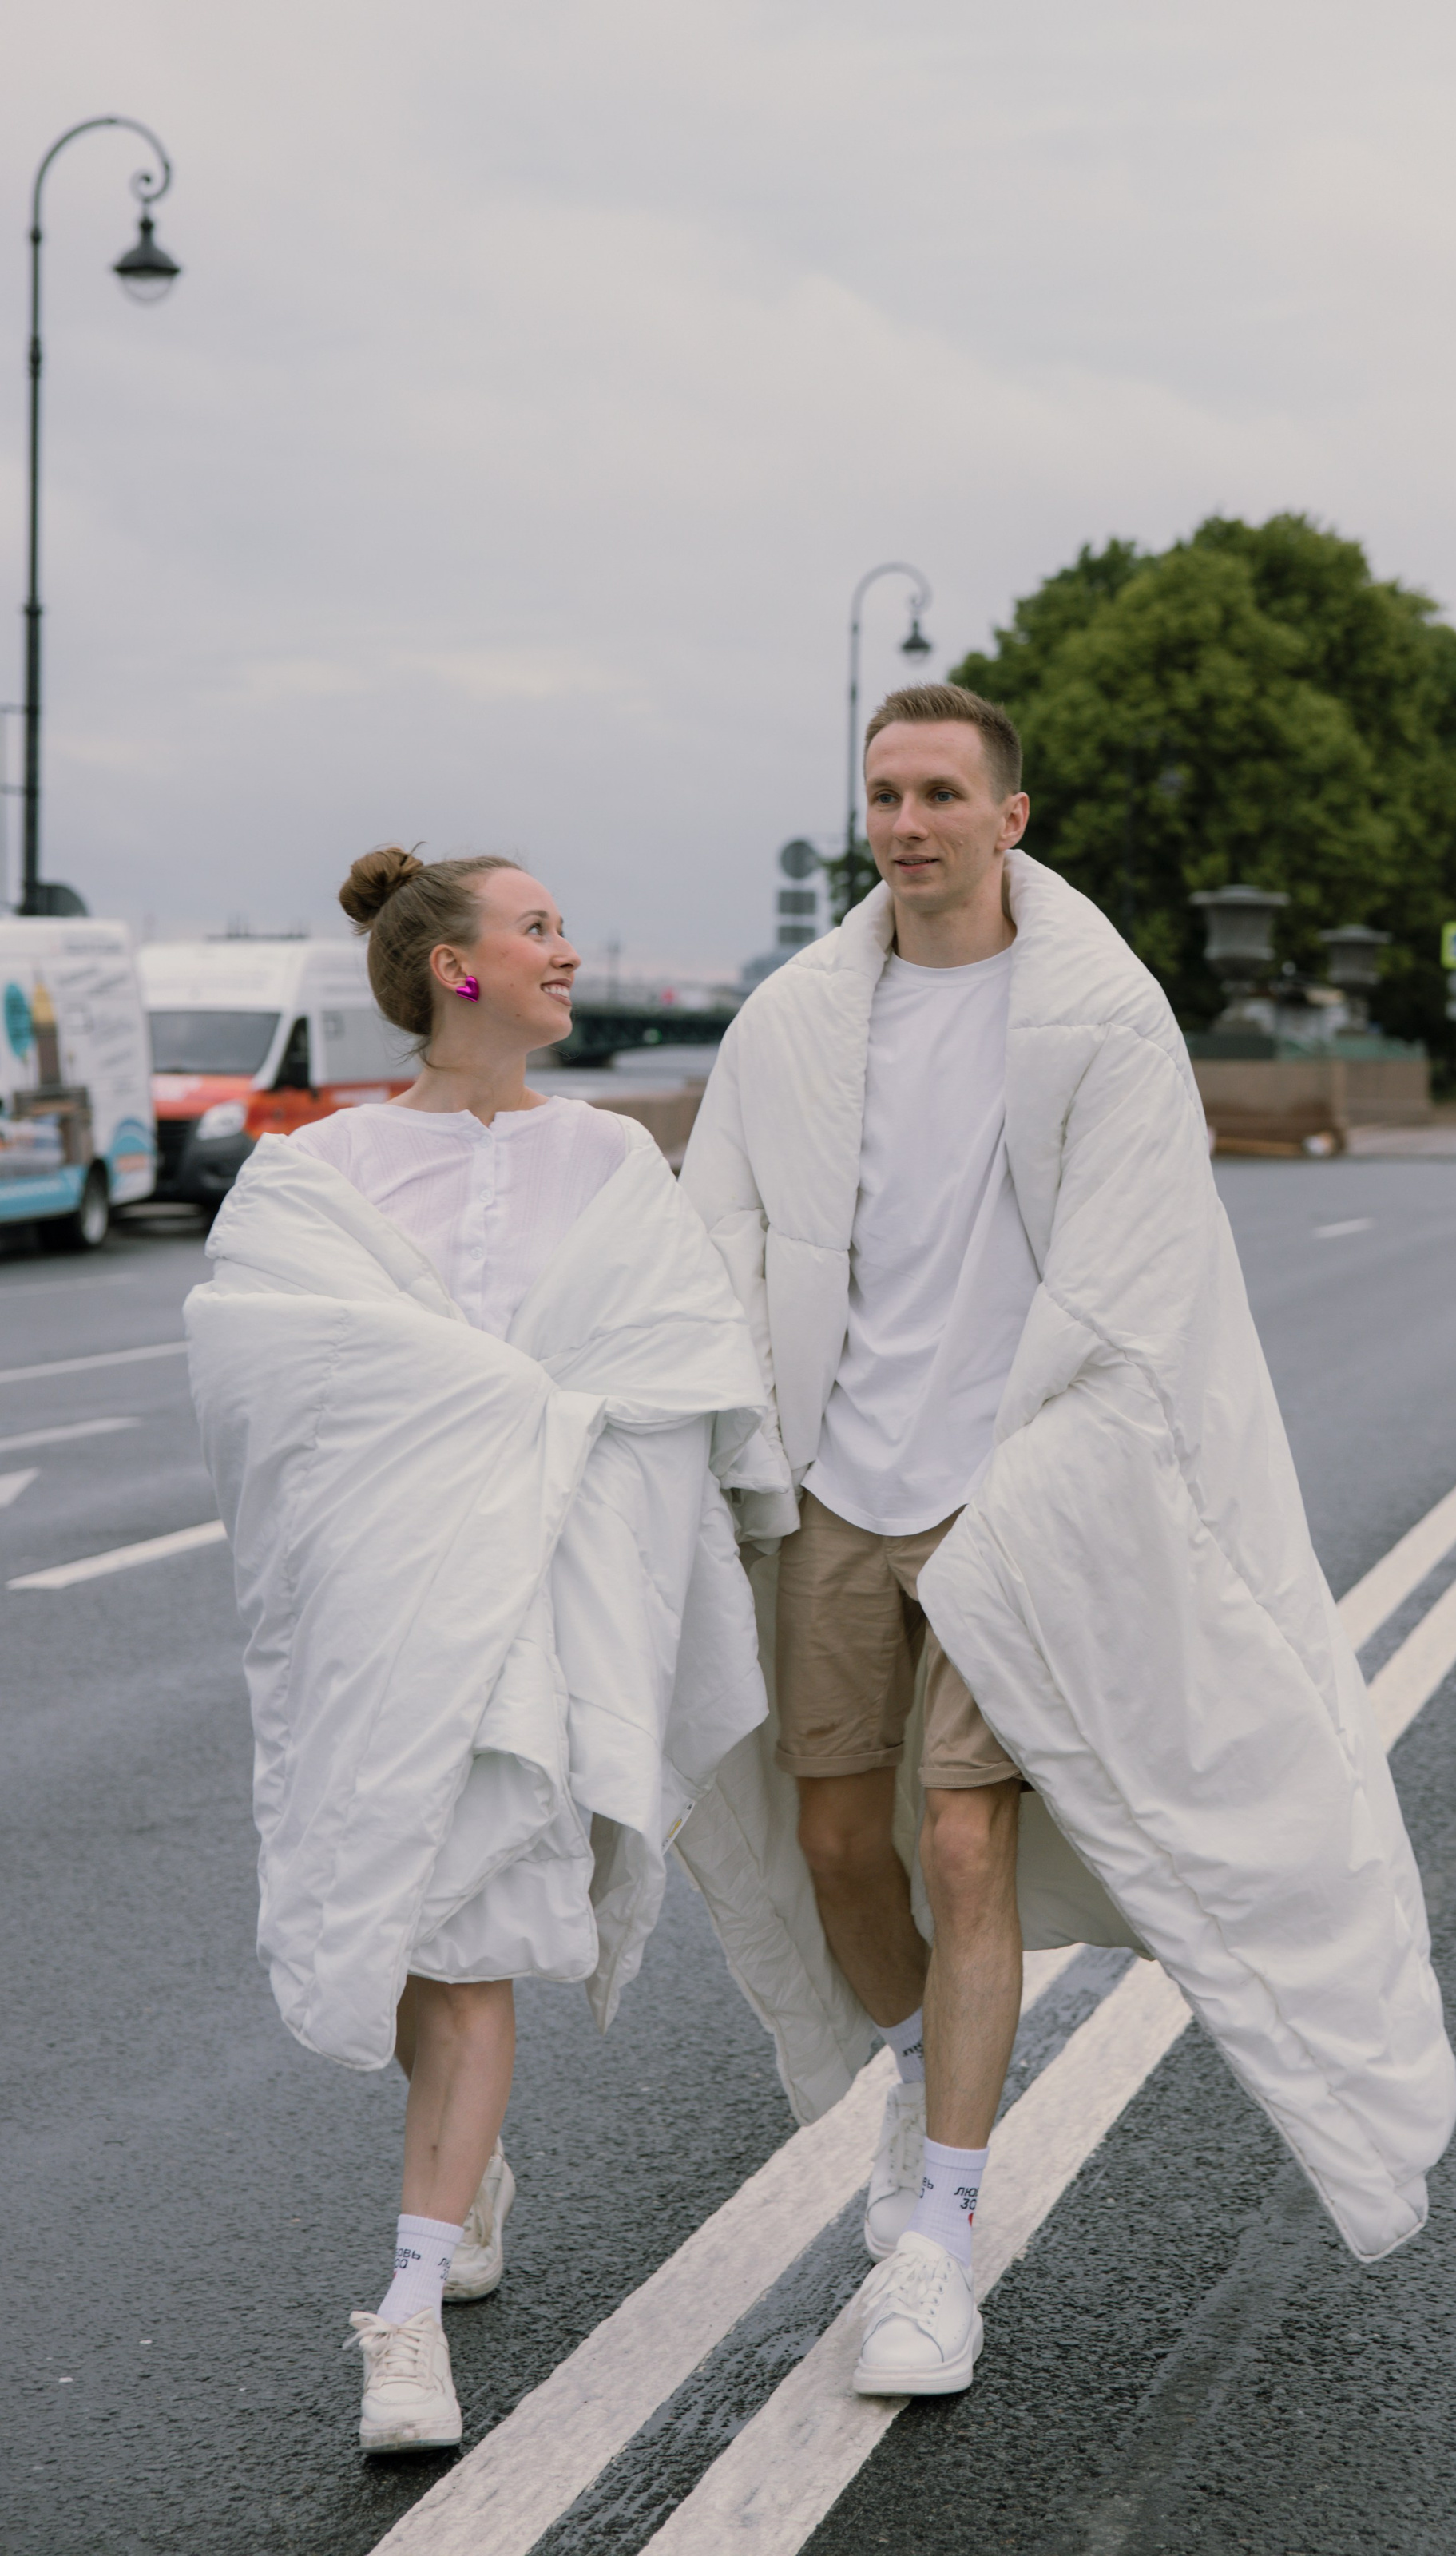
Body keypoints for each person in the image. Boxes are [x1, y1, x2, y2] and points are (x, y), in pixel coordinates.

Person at [677, 682, 1456, 2399]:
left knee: (963, 1850)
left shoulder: (1102, 1014)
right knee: (834, 1844)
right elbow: (715, 1243)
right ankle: (909, 2075)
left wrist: (1030, 1483)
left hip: (1008, 1496)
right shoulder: (794, 1020)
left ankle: (938, 2245)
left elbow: (1137, 1296)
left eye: (941, 792)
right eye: (883, 792)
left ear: (1009, 816)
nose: (907, 822)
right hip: (830, 1489)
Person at [188, 847, 784, 2455]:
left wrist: (534, 1428)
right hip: (381, 1612)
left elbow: (679, 1355)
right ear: (456, 968)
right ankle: (468, 2168)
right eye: (536, 929)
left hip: (544, 1603)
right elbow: (258, 1374)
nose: (568, 950)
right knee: (405, 1927)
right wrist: (474, 1410)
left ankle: (405, 2307)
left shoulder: (608, 1157)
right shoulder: (325, 1170)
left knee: (467, 1951)